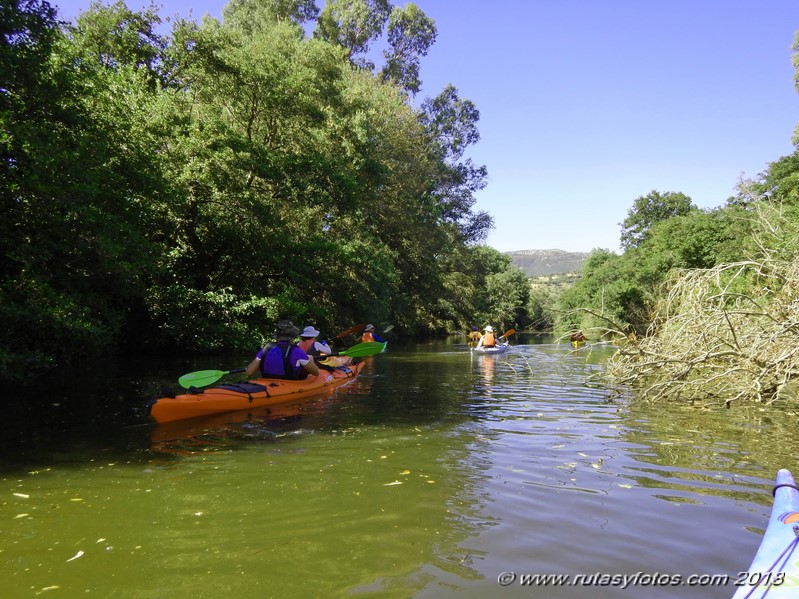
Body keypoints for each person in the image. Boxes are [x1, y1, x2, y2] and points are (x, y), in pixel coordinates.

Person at [245, 320, 319, 379]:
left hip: (267, 384)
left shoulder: (266, 349)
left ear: (277, 335)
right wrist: (311, 360)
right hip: (288, 386)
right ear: (292, 336)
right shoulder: (297, 351)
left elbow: (249, 372)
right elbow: (316, 372)